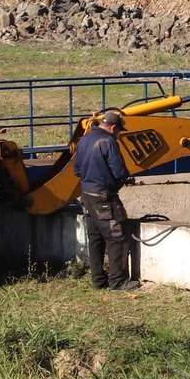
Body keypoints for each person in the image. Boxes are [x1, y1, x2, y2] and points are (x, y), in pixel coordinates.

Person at [74, 109, 138, 291]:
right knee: (117, 237)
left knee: (95, 238)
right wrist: (125, 177)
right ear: (113, 128)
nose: (118, 135)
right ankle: (118, 281)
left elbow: (77, 171)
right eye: (118, 132)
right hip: (104, 197)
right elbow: (119, 171)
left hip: (86, 196)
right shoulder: (108, 142)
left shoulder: (84, 140)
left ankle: (98, 280)